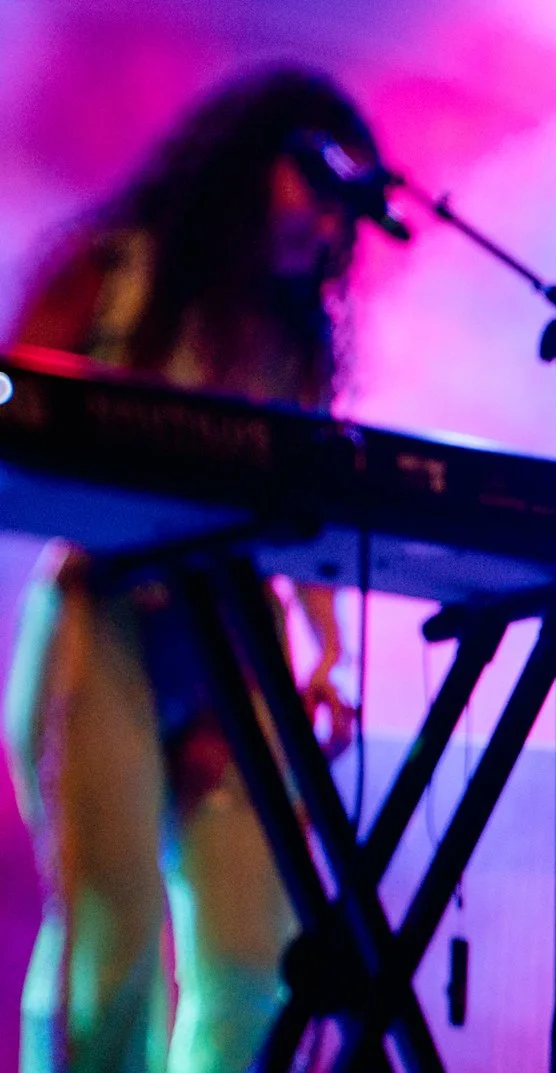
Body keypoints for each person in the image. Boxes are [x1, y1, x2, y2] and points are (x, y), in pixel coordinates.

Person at [2, 65, 378, 1072]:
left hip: (235, 652)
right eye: (317, 190)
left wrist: (329, 655)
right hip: (106, 615)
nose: (331, 228)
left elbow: (300, 526)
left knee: (254, 956)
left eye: (348, 210)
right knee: (112, 940)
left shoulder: (296, 339)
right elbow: (19, 412)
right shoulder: (113, 269)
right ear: (254, 166)